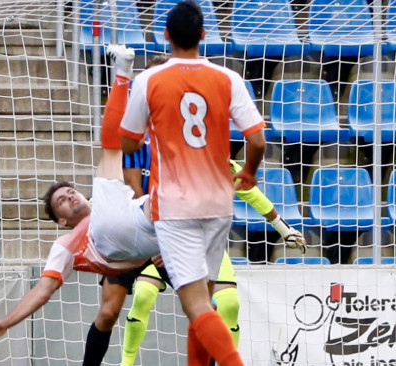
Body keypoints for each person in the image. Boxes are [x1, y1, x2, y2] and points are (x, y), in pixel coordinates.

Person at [82, 47, 306, 366]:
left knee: (215, 306)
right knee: (110, 311)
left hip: (173, 238)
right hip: (134, 238)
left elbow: (238, 186)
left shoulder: (190, 144)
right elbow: (113, 170)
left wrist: (281, 227)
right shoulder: (132, 135)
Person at [0, 37, 163, 347]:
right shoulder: (67, 243)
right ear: (60, 220)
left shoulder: (106, 199)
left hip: (149, 232)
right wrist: (5, 323)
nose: (71, 196)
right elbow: (42, 290)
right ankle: (129, 76)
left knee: (207, 300)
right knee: (110, 311)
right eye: (62, 200)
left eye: (71, 191)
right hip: (118, 241)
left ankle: (136, 78)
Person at [119, 1, 267, 365]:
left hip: (175, 206)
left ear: (165, 35)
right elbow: (259, 139)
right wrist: (249, 172)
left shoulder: (149, 80)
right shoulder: (227, 77)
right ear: (203, 35)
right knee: (205, 300)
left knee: (196, 304)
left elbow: (128, 142)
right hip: (218, 202)